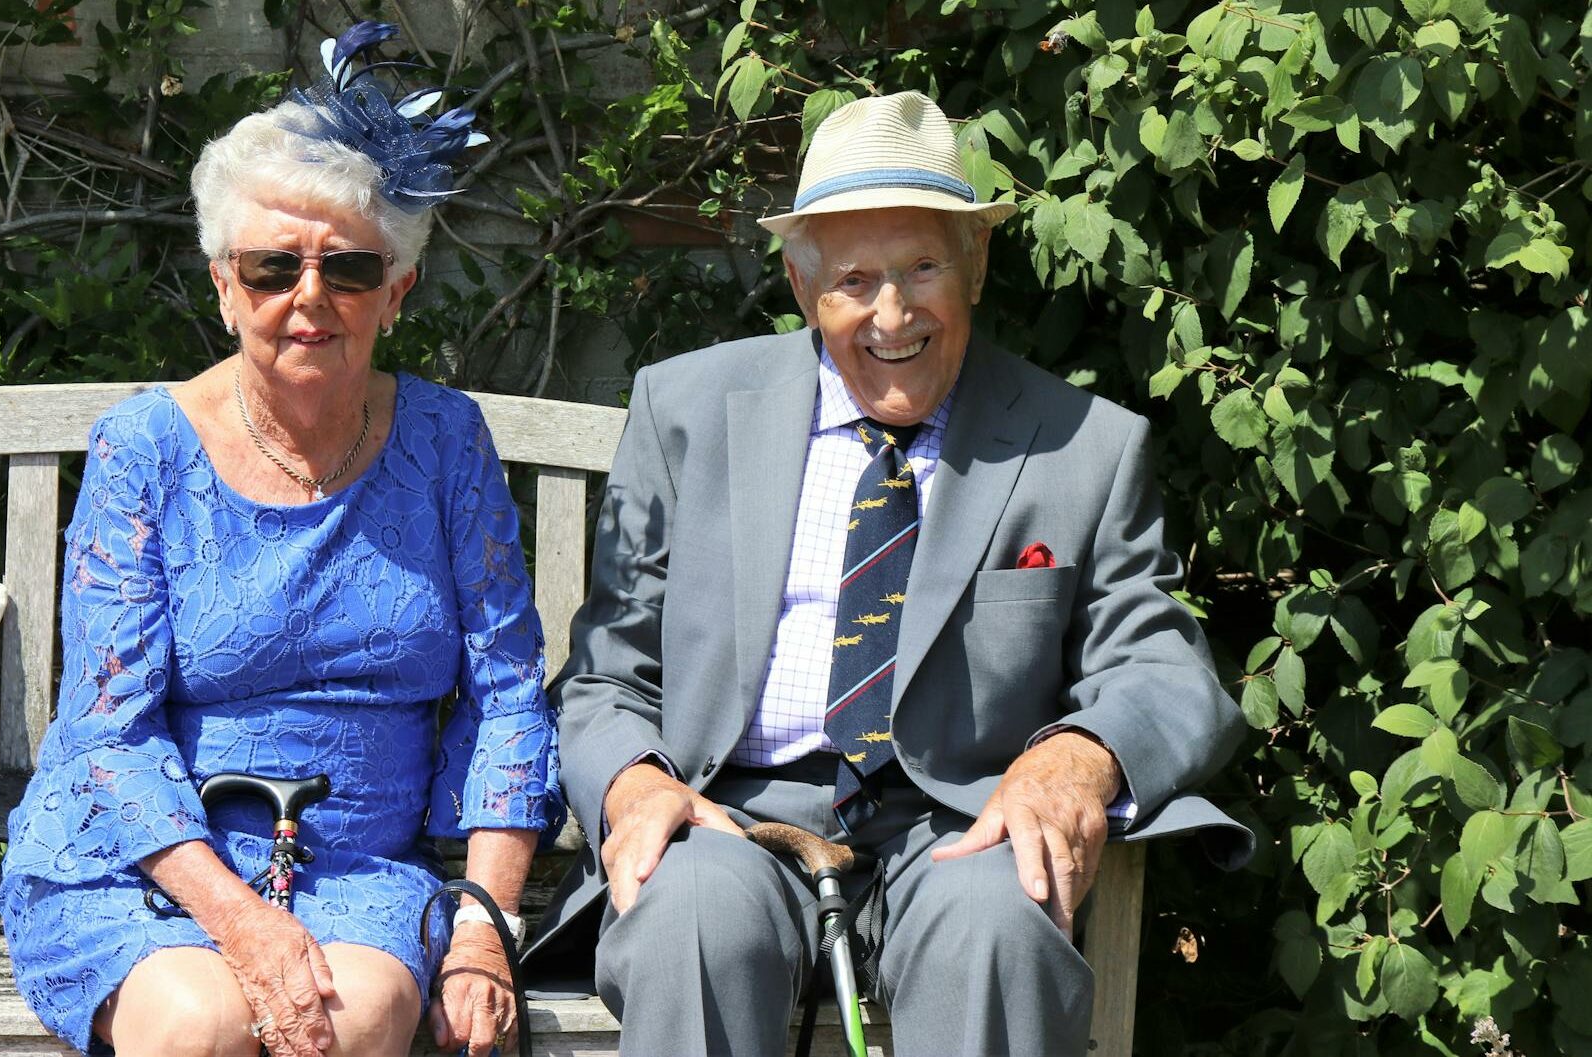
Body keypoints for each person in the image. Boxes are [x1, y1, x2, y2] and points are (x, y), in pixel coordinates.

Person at [530, 92, 1250, 1056]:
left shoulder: (1082, 445)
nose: (893, 313)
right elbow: (608, 670)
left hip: (961, 826)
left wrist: (1077, 757)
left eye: (922, 268)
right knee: (689, 913)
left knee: (1000, 925)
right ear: (800, 283)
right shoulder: (690, 409)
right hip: (736, 816)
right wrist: (631, 783)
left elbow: (1160, 668)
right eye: (856, 279)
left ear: (977, 265)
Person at [0, 24, 557, 1057]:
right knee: (200, 1021)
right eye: (270, 266)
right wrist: (241, 921)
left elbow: (506, 692)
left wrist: (483, 921)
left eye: (347, 268)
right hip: (147, 862)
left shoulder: (443, 440)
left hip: (355, 869)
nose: (308, 297)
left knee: (360, 1017)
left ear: (396, 291)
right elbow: (106, 733)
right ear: (222, 283)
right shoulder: (144, 449)